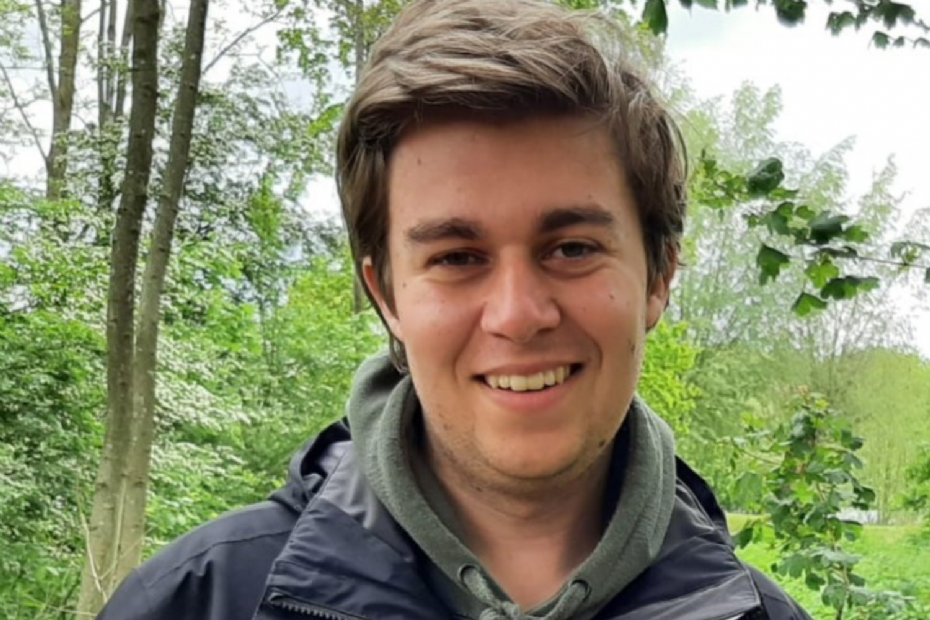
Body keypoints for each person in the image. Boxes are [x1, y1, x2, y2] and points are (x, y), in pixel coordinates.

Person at [97, 1, 813, 619]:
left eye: (571, 249)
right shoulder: (197, 599)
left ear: (659, 278)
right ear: (387, 297)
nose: (518, 315)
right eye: (457, 257)